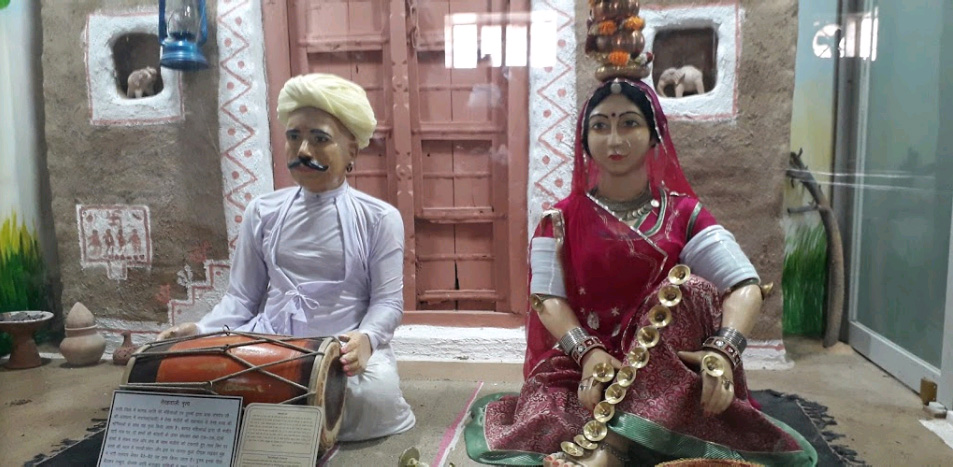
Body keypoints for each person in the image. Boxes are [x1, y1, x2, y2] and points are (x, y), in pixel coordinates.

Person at [463, 79, 817, 466]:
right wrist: (588, 353)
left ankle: (612, 445)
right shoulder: (560, 219)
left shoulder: (684, 214)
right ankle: (638, 431)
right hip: (592, 363)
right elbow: (546, 298)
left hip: (666, 367)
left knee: (689, 288)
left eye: (629, 123)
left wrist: (723, 351)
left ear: (654, 135)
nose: (615, 139)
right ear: (584, 141)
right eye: (600, 126)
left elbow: (744, 284)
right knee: (550, 414)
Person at [157, 73, 416, 442]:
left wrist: (367, 340)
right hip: (269, 343)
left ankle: (277, 419)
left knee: (374, 395)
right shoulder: (262, 212)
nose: (303, 151)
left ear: (352, 151)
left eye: (320, 139)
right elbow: (241, 298)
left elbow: (387, 302)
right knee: (203, 373)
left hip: (340, 348)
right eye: (294, 137)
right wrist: (200, 330)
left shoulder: (379, 218)